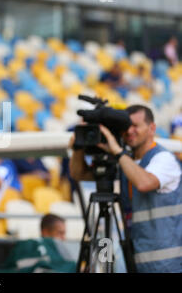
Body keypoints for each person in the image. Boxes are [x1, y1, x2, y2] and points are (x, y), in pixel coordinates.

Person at [69, 105, 182, 273]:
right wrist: (78, 148)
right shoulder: (125, 162)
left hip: (167, 265)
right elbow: (79, 174)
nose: (130, 131)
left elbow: (144, 182)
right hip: (138, 262)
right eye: (127, 126)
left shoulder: (163, 158)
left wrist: (117, 151)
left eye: (136, 125)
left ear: (152, 128)